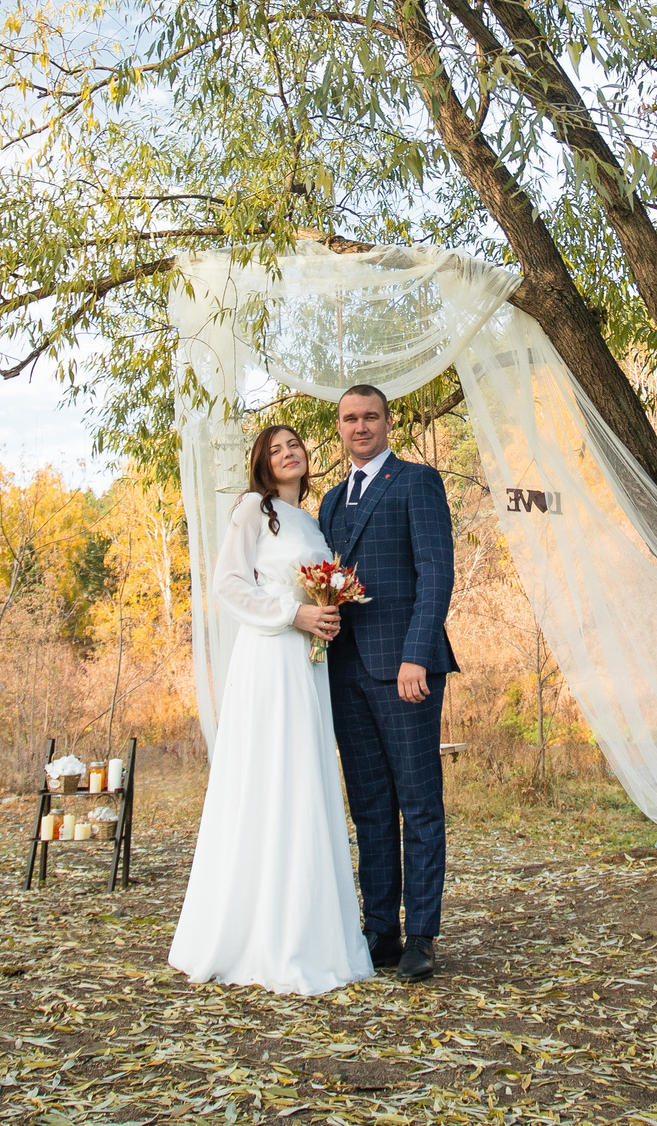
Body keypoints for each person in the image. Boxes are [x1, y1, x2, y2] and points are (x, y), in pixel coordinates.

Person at [167, 425, 375, 995]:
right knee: (268, 779)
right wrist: (293, 614)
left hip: (309, 665)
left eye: (296, 446)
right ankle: (255, 934)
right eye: (275, 449)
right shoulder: (251, 511)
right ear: (262, 462)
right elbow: (228, 584)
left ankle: (312, 932)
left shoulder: (312, 521)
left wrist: (325, 614)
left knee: (305, 780)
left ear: (308, 458)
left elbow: (320, 588)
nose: (288, 454)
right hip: (268, 658)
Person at [317, 383, 460, 982]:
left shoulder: (417, 483)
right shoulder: (327, 501)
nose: (360, 427)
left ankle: (422, 934)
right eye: (350, 418)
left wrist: (416, 657)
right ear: (342, 426)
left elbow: (436, 574)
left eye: (370, 416)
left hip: (405, 672)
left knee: (418, 804)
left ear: (387, 421)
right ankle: (382, 930)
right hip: (344, 672)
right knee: (371, 809)